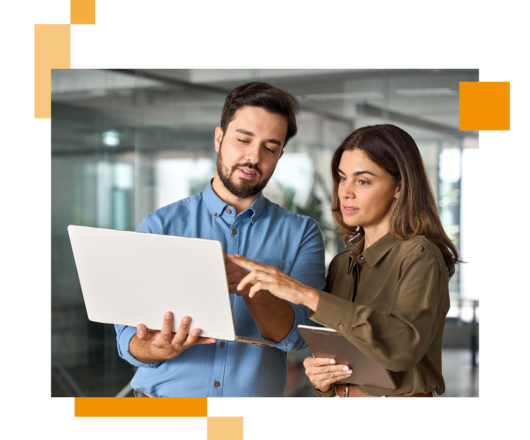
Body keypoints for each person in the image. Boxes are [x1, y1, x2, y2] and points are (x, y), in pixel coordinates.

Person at [114, 82, 326, 398]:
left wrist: (250, 282)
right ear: (219, 138)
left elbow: (298, 337)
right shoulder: (160, 225)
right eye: (243, 140)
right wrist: (156, 348)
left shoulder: (302, 234)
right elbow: (127, 338)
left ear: (280, 155)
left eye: (269, 148)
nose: (253, 157)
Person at [230, 124, 460, 398]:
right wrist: (322, 379)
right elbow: (340, 359)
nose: (345, 192)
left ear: (399, 187)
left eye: (363, 181)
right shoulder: (342, 264)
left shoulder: (420, 255)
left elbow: (402, 349)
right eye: (342, 178)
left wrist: (306, 295)